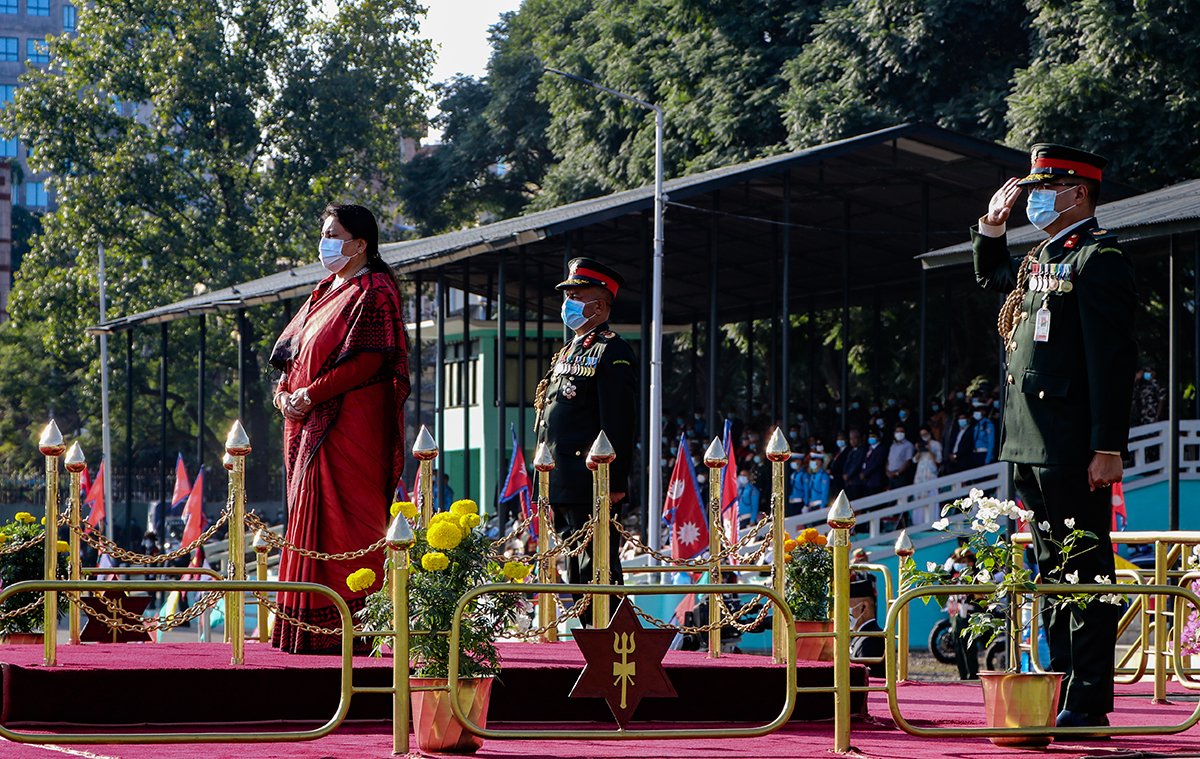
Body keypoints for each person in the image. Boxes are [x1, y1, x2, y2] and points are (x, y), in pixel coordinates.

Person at [973, 144, 1137, 729]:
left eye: (1049, 187)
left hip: (1072, 446)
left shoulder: (1099, 259)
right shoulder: (1047, 253)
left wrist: (1108, 446)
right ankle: (1059, 687)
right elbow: (995, 278)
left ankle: (1089, 700)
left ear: (1079, 194)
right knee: (1050, 570)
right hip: (1030, 442)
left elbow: (1112, 361)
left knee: (1086, 570)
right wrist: (992, 227)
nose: (1037, 197)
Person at [269, 203, 410, 654]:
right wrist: (285, 393)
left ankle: (359, 630)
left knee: (350, 522)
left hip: (351, 423)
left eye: (334, 234)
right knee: (309, 518)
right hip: (310, 422)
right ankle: (307, 631)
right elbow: (293, 353)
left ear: (360, 243)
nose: (325, 243)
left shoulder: (376, 290)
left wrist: (310, 395)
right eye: (324, 232)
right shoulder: (327, 288)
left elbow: (370, 358)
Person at [534, 258, 637, 621]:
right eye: (569, 296)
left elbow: (619, 422)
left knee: (598, 567)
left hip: (593, 479)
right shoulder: (570, 351)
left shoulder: (613, 352)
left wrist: (615, 482)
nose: (570, 304)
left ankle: (617, 645)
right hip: (563, 478)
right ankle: (595, 641)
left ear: (601, 304)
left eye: (578, 296)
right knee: (577, 571)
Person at [912, 425, 943, 496]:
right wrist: (919, 450)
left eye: (925, 434)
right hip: (920, 475)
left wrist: (930, 450)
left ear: (929, 433)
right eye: (922, 435)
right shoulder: (920, 444)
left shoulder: (936, 444)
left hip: (931, 474)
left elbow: (939, 460)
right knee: (919, 497)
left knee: (932, 496)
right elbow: (914, 460)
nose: (924, 436)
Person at [885, 424, 915, 490]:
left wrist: (897, 473)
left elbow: (908, 462)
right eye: (897, 432)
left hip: (901, 476)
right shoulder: (893, 445)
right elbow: (889, 459)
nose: (899, 434)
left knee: (901, 498)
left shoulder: (908, 445)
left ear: (905, 433)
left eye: (901, 432)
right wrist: (887, 471)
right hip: (890, 476)